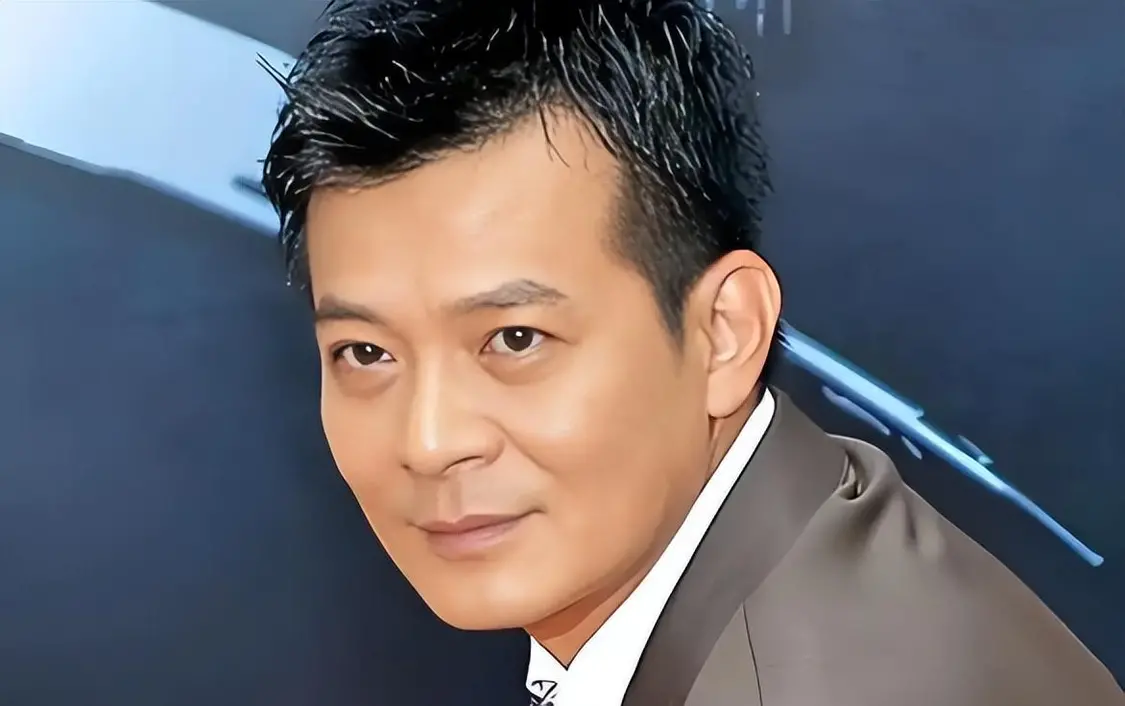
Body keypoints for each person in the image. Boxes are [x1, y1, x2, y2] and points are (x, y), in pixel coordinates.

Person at [260, 1, 1123, 704]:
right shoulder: (800, 541)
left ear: (725, 333)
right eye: (365, 353)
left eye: (515, 340)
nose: (429, 441)